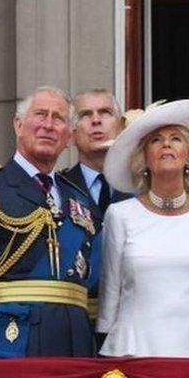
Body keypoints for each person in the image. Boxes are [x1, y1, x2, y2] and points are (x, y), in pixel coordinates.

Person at [97, 99, 189, 357]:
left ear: (188, 154)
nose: (166, 144)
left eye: (175, 138)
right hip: (137, 353)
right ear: (143, 158)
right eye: (155, 140)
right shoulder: (120, 215)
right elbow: (110, 295)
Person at [0, 86, 101, 357]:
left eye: (58, 118)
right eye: (40, 114)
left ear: (69, 137)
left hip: (75, 344)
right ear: (19, 125)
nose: (48, 125)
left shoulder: (80, 198)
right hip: (11, 342)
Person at [63, 88, 132, 320]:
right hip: (76, 321)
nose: (95, 120)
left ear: (121, 127)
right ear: (71, 135)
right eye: (85, 115)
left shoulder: (142, 191)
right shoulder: (57, 190)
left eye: (105, 112)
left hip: (131, 321)